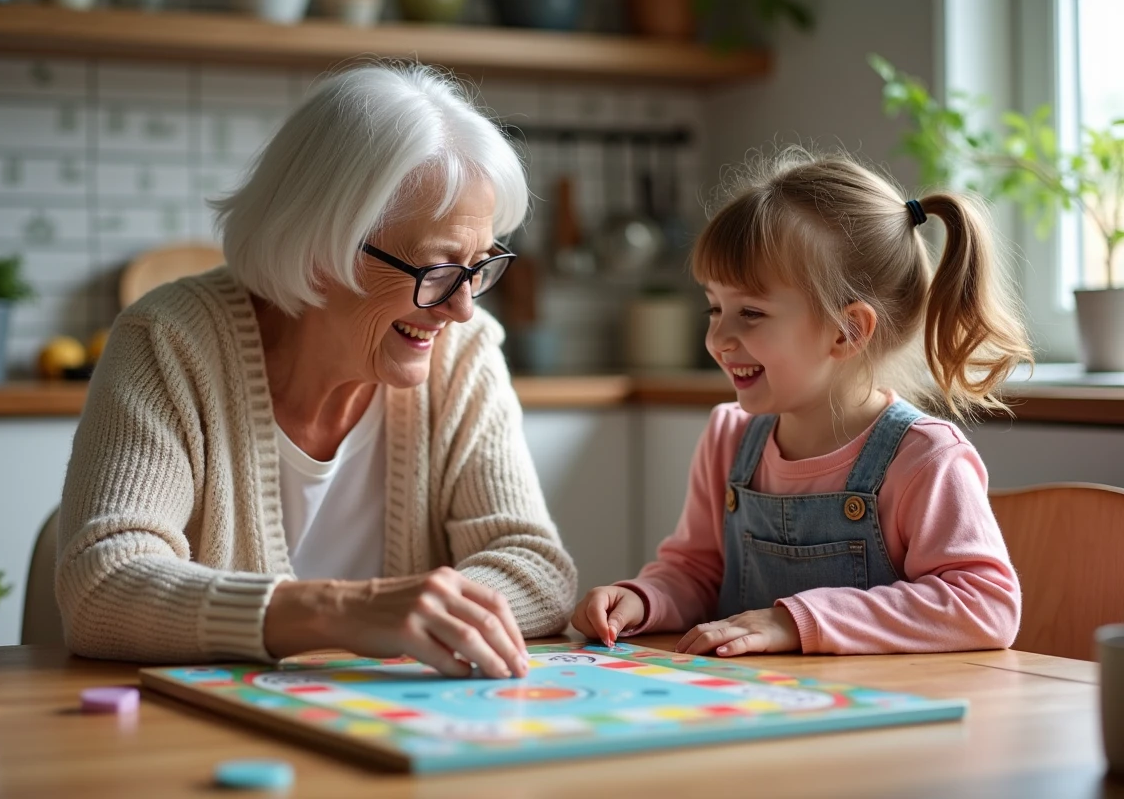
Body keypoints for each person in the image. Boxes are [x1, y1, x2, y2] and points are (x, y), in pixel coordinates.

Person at [56, 63, 577, 676]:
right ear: (320, 247)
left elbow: (536, 566)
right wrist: (340, 611)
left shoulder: (464, 355)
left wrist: (434, 617)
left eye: (480, 266)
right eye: (437, 269)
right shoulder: (170, 343)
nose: (464, 308)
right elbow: (102, 586)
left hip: (393, 729)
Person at [573, 148, 1030, 656]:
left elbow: (985, 605)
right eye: (714, 307)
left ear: (847, 330)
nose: (717, 338)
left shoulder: (923, 458)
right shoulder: (729, 437)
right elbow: (696, 572)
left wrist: (797, 622)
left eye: (750, 312)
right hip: (752, 709)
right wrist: (644, 598)